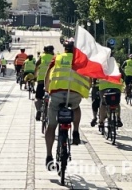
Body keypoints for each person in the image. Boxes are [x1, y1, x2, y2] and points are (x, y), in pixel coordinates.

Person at [44, 38, 91, 170]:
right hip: (74, 94)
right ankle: (75, 131)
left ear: (64, 48)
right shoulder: (81, 60)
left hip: (57, 94)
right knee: (76, 107)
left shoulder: (57, 58)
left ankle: (48, 155)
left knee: (51, 126)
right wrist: (86, 89)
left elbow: (48, 74)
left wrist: (47, 88)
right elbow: (89, 77)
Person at [34, 45, 55, 120]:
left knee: (38, 97)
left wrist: (35, 75)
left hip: (41, 80)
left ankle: (39, 110)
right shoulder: (55, 57)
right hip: (52, 81)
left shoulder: (42, 56)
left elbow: (36, 66)